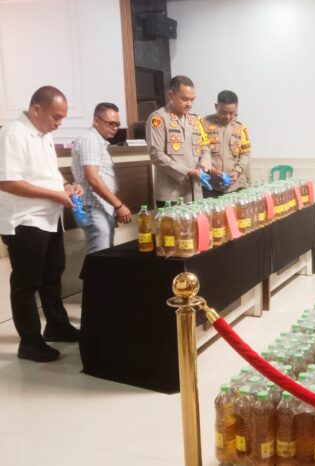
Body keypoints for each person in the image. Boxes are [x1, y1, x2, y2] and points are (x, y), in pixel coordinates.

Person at [0, 86, 83, 362]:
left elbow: (48, 173)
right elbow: (7, 181)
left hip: (49, 218)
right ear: (36, 109)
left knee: (52, 275)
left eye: (62, 117)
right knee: (26, 283)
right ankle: (30, 343)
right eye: (55, 117)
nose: (59, 123)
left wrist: (66, 187)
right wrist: (54, 195)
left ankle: (56, 325)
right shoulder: (13, 134)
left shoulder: (44, 134)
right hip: (25, 221)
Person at [71, 103, 132, 253]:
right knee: (100, 256)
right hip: (93, 206)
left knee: (105, 256)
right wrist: (119, 205)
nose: (115, 128)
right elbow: (93, 178)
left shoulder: (98, 141)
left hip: (101, 205)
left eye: (117, 124)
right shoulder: (90, 140)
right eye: (111, 124)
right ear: (96, 120)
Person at [146, 75, 211, 206]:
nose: (189, 104)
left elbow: (205, 147)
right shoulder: (158, 118)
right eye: (185, 99)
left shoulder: (195, 120)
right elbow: (156, 154)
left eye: (192, 100)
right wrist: (187, 172)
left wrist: (205, 164)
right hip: (171, 194)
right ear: (171, 95)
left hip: (195, 192)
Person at [202, 90, 251, 195]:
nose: (228, 116)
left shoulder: (240, 128)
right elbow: (198, 153)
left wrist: (237, 171)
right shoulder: (203, 124)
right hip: (209, 186)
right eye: (223, 112)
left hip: (235, 187)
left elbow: (245, 154)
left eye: (232, 113)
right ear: (216, 106)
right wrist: (212, 171)